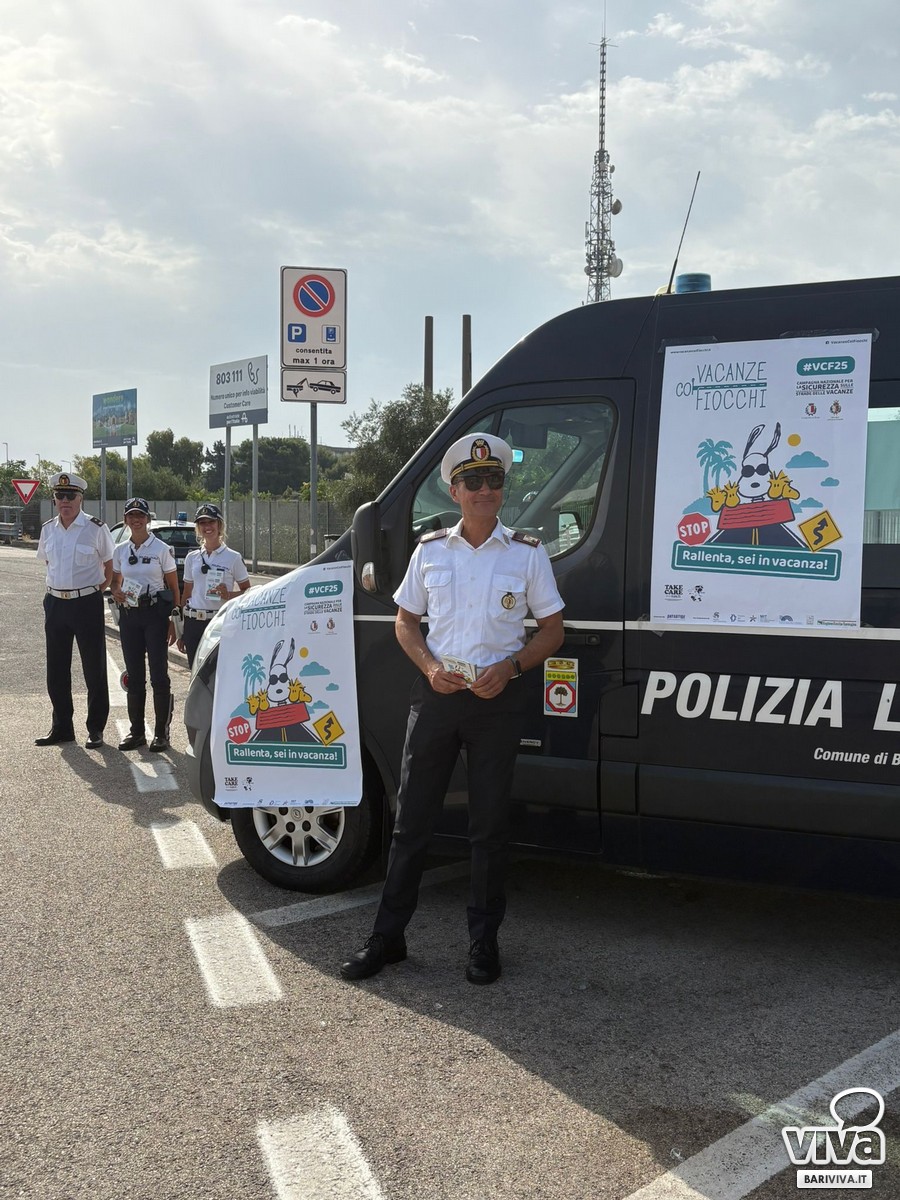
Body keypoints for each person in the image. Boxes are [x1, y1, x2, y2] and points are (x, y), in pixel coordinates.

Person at [340, 434, 565, 986]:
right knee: (410, 823)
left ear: (502, 490)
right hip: (437, 699)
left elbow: (552, 631)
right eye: (473, 482)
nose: (484, 491)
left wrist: (511, 669)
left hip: (497, 701)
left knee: (488, 829)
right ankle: (388, 937)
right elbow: (405, 621)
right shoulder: (430, 550)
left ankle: (483, 942)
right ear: (454, 488)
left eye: (494, 482)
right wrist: (427, 667)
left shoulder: (527, 554)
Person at [36, 472, 115, 749]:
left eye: (71, 496)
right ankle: (62, 727)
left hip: (86, 603)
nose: (65, 501)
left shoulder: (96, 528)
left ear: (81, 498)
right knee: (56, 669)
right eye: (60, 496)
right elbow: (48, 564)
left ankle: (95, 729)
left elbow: (109, 567)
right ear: (55, 499)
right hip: (56, 603)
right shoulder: (48, 529)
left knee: (94, 668)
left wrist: (93, 592)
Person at [109, 498, 180, 752]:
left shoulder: (161, 549)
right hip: (130, 617)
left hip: (155, 617)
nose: (136, 520)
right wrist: (116, 591)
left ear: (147, 519)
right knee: (134, 676)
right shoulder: (120, 551)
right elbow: (115, 582)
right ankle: (137, 732)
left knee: (159, 675)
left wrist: (174, 620)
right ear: (126, 520)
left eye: (140, 515)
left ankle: (161, 734)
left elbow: (173, 587)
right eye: (131, 516)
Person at [178, 502, 251, 668]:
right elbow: (187, 593)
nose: (207, 527)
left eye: (211, 522)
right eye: (202, 523)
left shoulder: (233, 557)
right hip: (193, 622)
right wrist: (181, 630)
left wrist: (229, 595)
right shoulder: (192, 558)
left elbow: (248, 590)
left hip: (219, 622)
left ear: (219, 525)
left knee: (219, 673)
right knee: (195, 673)